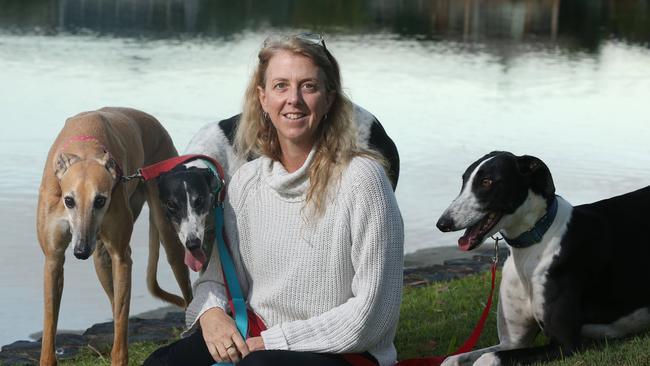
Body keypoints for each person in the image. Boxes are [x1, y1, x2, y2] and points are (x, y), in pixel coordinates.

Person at [145, 33, 404, 366]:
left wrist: (272, 342)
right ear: (262, 98)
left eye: (308, 86)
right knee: (161, 363)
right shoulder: (246, 182)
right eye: (281, 86)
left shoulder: (363, 179)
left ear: (329, 99)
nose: (293, 99)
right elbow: (217, 276)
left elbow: (372, 317)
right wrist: (211, 314)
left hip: (345, 351)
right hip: (260, 334)